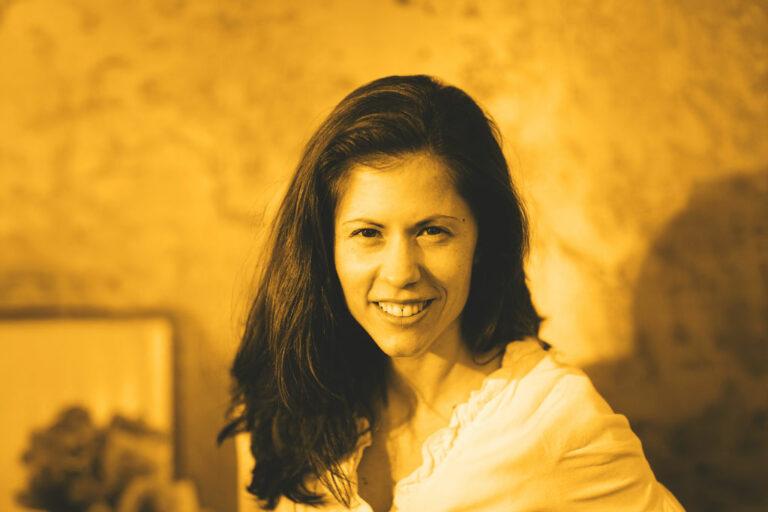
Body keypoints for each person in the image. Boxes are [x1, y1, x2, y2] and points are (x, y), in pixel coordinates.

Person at [218, 75, 684, 511]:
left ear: (482, 242)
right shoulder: (281, 400)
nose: (400, 273)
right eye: (368, 233)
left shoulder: (554, 420)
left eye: (433, 231)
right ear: (326, 247)